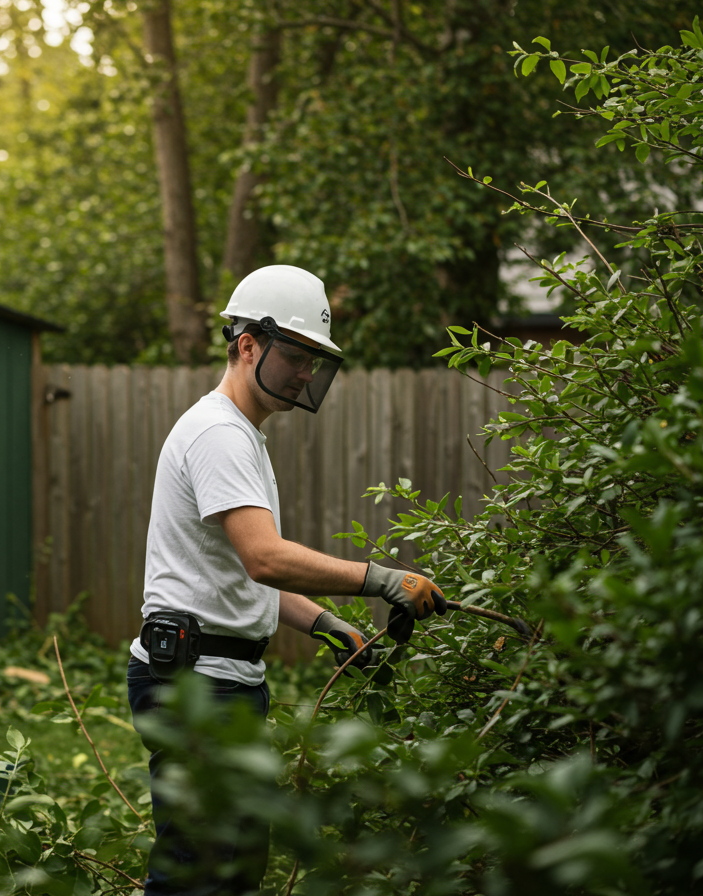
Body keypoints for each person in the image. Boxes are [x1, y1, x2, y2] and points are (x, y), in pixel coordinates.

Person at [127, 264, 448, 896]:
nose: (305, 372)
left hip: (221, 678)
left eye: (313, 361)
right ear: (248, 345)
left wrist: (326, 625)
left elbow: (238, 573)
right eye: (295, 355)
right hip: (196, 685)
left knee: (236, 866)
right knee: (200, 871)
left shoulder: (239, 433)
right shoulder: (220, 433)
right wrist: (380, 579)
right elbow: (264, 559)